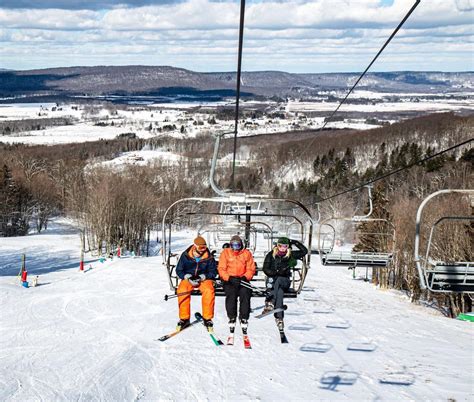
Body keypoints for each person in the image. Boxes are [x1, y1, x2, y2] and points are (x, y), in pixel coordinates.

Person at [263, 237, 308, 330]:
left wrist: (295, 242)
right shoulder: (271, 255)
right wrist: (276, 272)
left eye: (285, 246)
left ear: (288, 247)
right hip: (273, 282)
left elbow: (304, 251)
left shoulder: (290, 255)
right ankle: (279, 318)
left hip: (285, 281)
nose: (283, 248)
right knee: (279, 292)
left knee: (280, 280)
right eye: (281, 246)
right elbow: (265, 269)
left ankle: (270, 300)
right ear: (277, 246)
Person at [176, 236, 217, 331]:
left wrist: (203, 276)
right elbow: (179, 270)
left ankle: (207, 318)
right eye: (200, 248)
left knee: (209, 290)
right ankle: (184, 318)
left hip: (204, 279)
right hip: (189, 279)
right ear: (195, 247)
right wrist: (187, 277)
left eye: (204, 248)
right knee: (182, 290)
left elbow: (213, 271)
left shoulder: (208, 257)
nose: (203, 251)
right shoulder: (185, 256)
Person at [217, 235, 256, 334]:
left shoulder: (246, 253)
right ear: (230, 245)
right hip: (229, 280)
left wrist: (245, 277)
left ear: (241, 245)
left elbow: (251, 268)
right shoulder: (225, 253)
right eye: (233, 245)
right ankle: (232, 316)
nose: (235, 248)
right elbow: (221, 268)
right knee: (231, 293)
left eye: (238, 245)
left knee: (245, 292)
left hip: (242, 279)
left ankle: (244, 317)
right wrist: (228, 278)